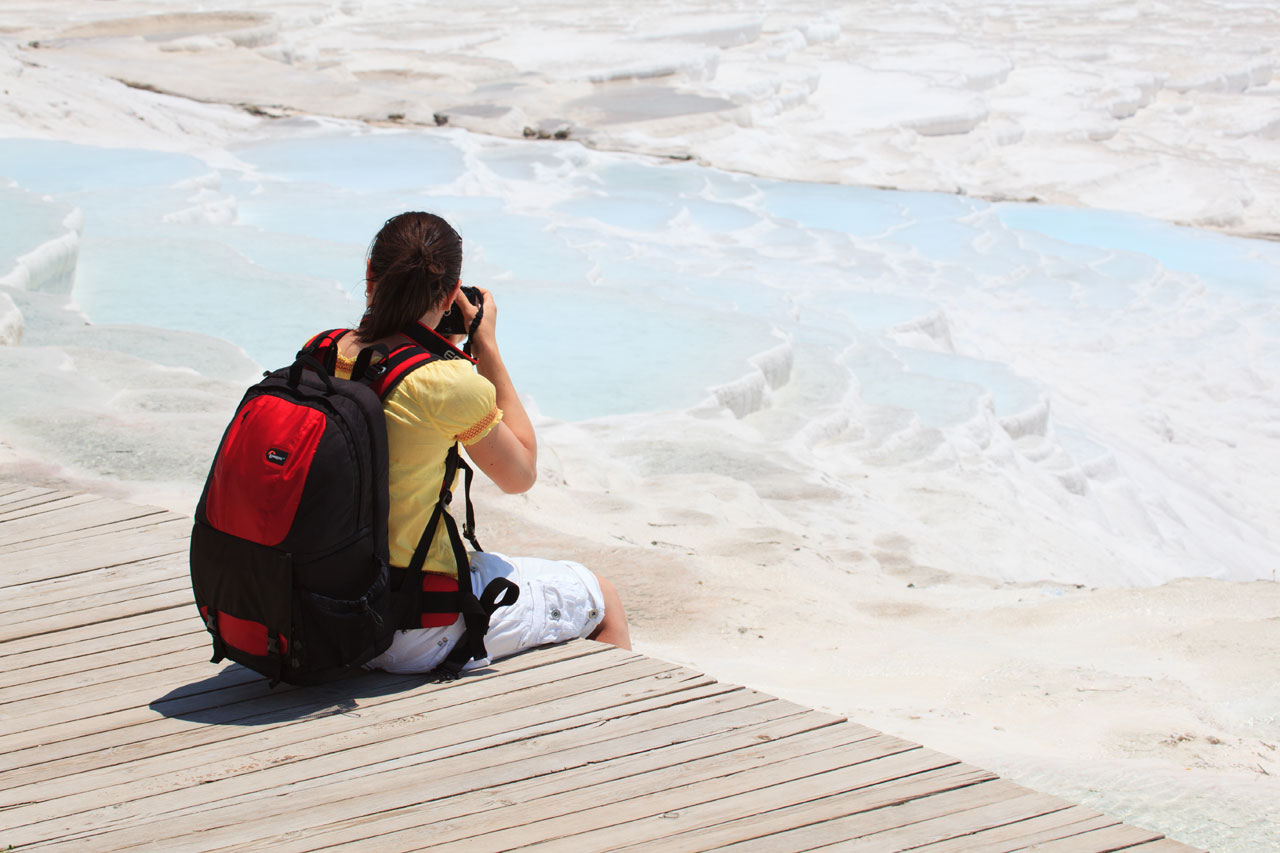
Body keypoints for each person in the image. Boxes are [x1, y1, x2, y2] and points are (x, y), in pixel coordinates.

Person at [328, 211, 630, 674]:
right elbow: (520, 474)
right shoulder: (448, 384)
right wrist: (484, 344)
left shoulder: (324, 350)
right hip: (405, 624)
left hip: (324, 605)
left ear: (369, 273)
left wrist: (437, 344)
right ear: (451, 292)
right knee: (602, 597)